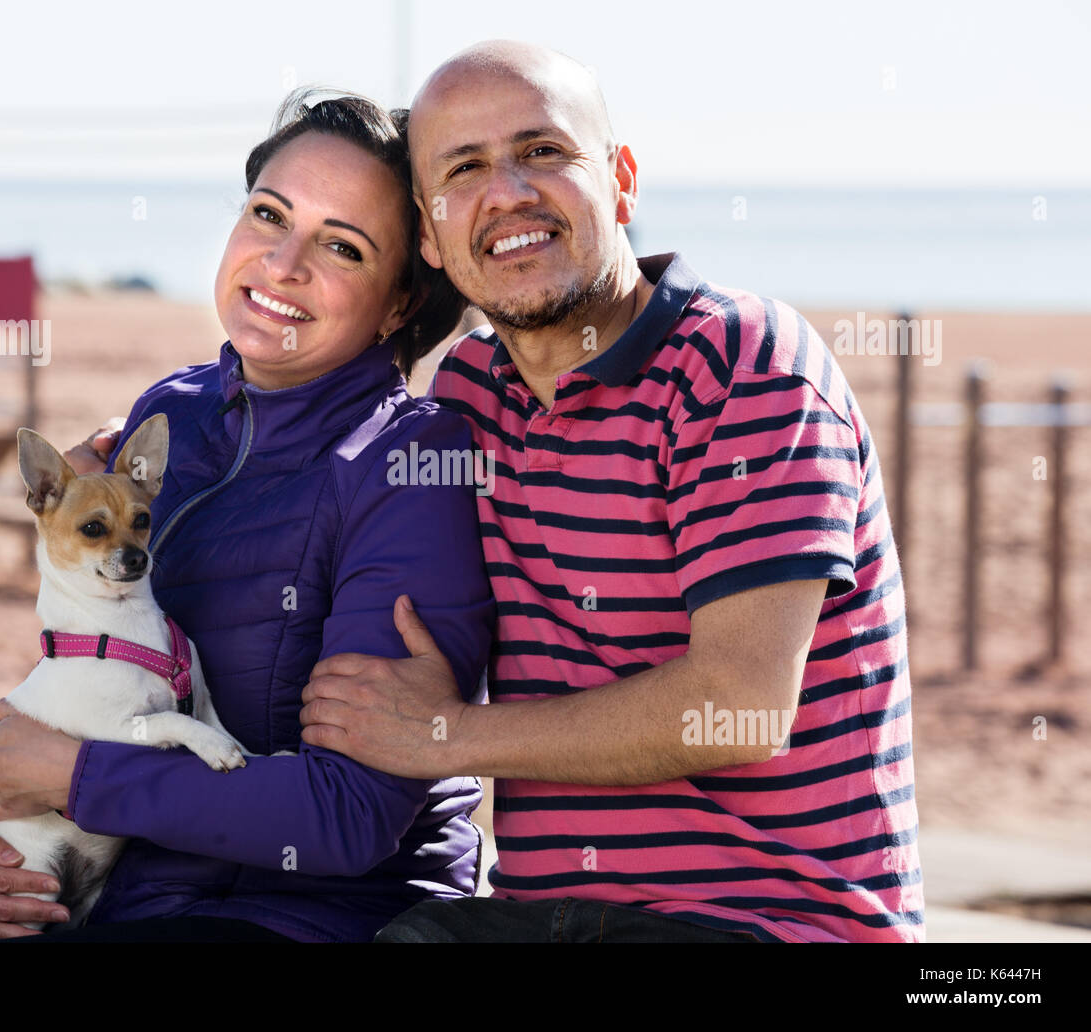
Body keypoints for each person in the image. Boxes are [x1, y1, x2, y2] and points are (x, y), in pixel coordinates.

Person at [0, 92, 494, 944]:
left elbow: (349, 817)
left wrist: (78, 777)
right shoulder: (175, 415)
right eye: (268, 214)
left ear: (401, 304)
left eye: (342, 246)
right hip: (116, 890)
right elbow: (93, 689)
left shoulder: (410, 470)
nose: (282, 263)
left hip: (306, 918)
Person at [298, 41, 925, 943]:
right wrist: (154, 446)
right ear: (430, 237)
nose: (508, 190)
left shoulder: (744, 364)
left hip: (772, 922)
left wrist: (447, 735)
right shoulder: (468, 395)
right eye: (464, 168)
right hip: (543, 919)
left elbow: (741, 706)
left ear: (621, 179)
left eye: (544, 151)